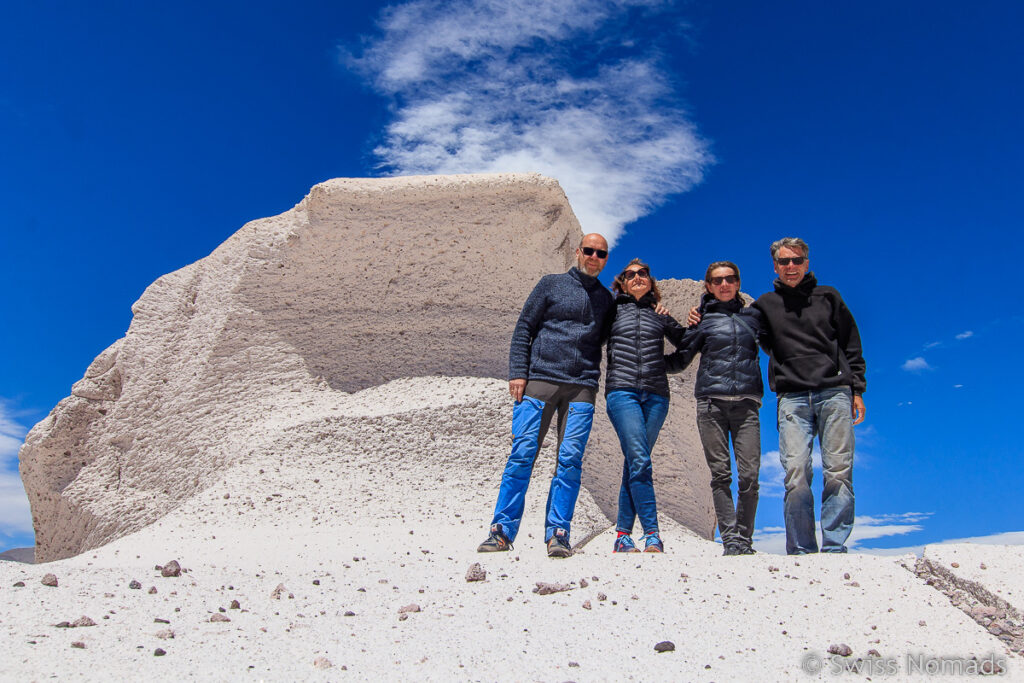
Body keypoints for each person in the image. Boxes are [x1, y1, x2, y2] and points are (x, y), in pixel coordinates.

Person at [478, 233, 615, 558]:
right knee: (522, 454)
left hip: (582, 386)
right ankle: (501, 531)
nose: (595, 256)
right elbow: (525, 326)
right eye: (590, 250)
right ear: (578, 252)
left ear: (605, 259)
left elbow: (612, 337)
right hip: (541, 379)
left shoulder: (607, 300)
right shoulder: (550, 284)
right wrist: (517, 371)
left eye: (602, 253)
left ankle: (558, 533)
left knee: (569, 460)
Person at [755, 237, 866, 555]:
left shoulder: (828, 297)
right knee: (796, 472)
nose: (791, 266)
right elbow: (748, 330)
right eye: (784, 261)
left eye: (797, 260)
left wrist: (856, 389)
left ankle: (834, 547)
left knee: (839, 470)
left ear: (807, 262)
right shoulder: (765, 305)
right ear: (775, 266)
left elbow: (851, 344)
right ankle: (802, 551)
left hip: (834, 392)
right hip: (791, 397)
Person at [671, 261, 765, 555]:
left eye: (730, 279)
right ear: (709, 286)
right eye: (717, 280)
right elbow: (681, 359)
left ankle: (745, 538)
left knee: (750, 475)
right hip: (711, 404)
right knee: (720, 474)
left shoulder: (754, 319)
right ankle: (731, 540)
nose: (724, 284)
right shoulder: (703, 322)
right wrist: (647, 362)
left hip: (747, 405)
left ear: (737, 282)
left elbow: (781, 346)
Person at [605, 259, 687, 553]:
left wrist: (663, 365)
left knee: (634, 461)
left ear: (650, 282)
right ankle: (652, 533)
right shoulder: (612, 312)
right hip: (622, 392)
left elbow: (687, 345)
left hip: (656, 396)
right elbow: (590, 339)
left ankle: (622, 536)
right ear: (622, 283)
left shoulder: (660, 315)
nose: (638, 277)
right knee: (640, 459)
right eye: (631, 274)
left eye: (643, 274)